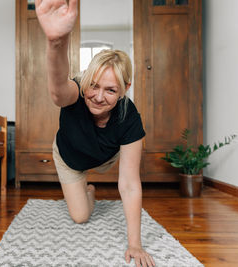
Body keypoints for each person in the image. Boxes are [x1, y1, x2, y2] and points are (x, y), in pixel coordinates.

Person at [35, 0, 156, 266]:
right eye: (94, 85)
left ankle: (90, 183)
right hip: (72, 157)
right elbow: (57, 91)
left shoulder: (129, 117)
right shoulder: (76, 91)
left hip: (107, 157)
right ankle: (88, 189)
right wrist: (56, 42)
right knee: (80, 217)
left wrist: (135, 244)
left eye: (111, 90)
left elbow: (129, 184)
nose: (98, 97)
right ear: (85, 80)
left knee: (126, 175)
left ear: (125, 88)